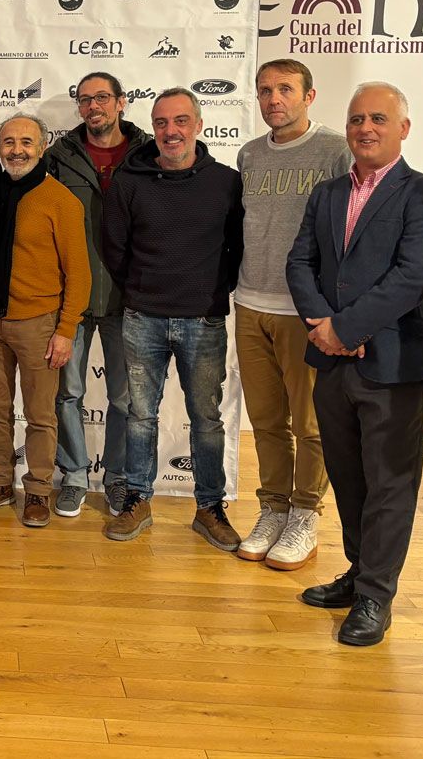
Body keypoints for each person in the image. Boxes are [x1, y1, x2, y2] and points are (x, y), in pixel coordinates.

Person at [286, 81, 423, 647]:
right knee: (349, 476)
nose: (365, 129)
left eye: (379, 119)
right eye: (357, 119)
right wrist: (322, 326)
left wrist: (345, 327)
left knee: (390, 483)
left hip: (395, 361)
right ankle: (359, 575)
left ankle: (377, 597)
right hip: (333, 360)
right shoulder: (328, 192)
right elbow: (300, 261)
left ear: (403, 128)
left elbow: (413, 276)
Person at [101, 88, 244, 551]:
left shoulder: (225, 182)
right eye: (161, 122)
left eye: (181, 121)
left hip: (204, 320)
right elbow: (114, 247)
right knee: (140, 415)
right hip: (143, 317)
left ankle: (209, 508)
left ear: (198, 125)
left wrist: (210, 289)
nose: (170, 131)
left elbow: (236, 246)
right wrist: (142, 288)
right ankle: (137, 500)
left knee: (206, 418)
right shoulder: (130, 181)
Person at [234, 59, 353, 570]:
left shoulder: (334, 151)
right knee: (264, 419)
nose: (273, 99)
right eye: (264, 91)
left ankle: (305, 514)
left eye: (285, 89)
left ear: (309, 95)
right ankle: (273, 508)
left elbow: (352, 229)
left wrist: (334, 310)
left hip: (303, 310)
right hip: (249, 303)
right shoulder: (249, 154)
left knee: (310, 423)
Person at [0, 113, 88, 528]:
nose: (17, 150)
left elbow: (79, 273)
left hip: (39, 323)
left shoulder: (61, 200)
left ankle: (37, 491)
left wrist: (66, 329)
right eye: (9, 142)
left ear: (42, 145)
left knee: (40, 415)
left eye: (26, 142)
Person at [43, 72, 148, 518]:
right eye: (85, 100)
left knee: (125, 399)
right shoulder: (58, 156)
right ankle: (73, 477)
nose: (93, 107)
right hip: (72, 299)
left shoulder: (147, 153)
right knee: (67, 394)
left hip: (131, 299)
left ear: (122, 102)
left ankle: (119, 480)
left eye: (102, 98)